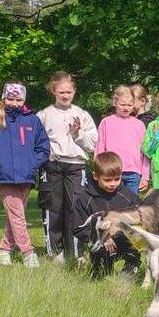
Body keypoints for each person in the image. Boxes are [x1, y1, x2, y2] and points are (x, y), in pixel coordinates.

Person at [0, 82, 51, 268]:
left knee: (15, 215)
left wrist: (33, 163)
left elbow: (43, 147)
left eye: (18, 99)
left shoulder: (32, 120)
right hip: (5, 175)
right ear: (4, 97)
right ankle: (28, 252)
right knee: (17, 215)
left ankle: (4, 250)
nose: (14, 103)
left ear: (24, 99)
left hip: (26, 175)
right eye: (10, 98)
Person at [37, 71, 98, 264]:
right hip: (53, 165)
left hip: (76, 165)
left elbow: (92, 145)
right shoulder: (44, 115)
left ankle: (76, 251)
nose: (65, 96)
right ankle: (55, 252)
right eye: (61, 92)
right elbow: (36, 142)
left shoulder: (82, 115)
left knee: (75, 207)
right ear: (53, 91)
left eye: (69, 92)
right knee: (53, 207)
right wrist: (46, 153)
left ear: (74, 92)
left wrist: (77, 133)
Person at [71, 152, 143, 278]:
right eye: (108, 180)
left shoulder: (129, 197)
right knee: (101, 273)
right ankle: (101, 269)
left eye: (117, 179)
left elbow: (141, 220)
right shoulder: (84, 198)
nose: (113, 184)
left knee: (137, 240)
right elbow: (79, 228)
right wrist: (101, 237)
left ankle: (131, 266)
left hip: (125, 240)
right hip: (101, 244)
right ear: (95, 176)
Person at [95, 85, 150, 196]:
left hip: (134, 173)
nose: (126, 108)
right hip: (111, 173)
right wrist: (99, 171)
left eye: (129, 105)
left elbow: (146, 151)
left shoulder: (139, 125)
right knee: (112, 207)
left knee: (132, 208)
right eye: (122, 104)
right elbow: (99, 148)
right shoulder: (106, 122)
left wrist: (145, 176)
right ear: (115, 102)